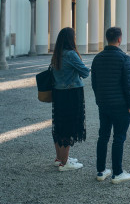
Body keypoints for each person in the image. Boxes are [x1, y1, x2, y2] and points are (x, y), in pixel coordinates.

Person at [91, 27, 130, 183]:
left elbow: (94, 83)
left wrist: (99, 100)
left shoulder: (97, 58)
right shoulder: (124, 59)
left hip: (104, 104)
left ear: (106, 39)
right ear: (119, 39)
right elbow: (128, 85)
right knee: (119, 138)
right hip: (121, 105)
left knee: (103, 136)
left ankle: (101, 170)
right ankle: (117, 172)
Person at [51, 27, 90, 171]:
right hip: (72, 93)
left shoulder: (57, 54)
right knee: (69, 126)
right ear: (70, 39)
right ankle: (65, 162)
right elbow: (85, 72)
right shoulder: (71, 54)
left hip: (58, 93)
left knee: (59, 125)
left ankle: (59, 158)